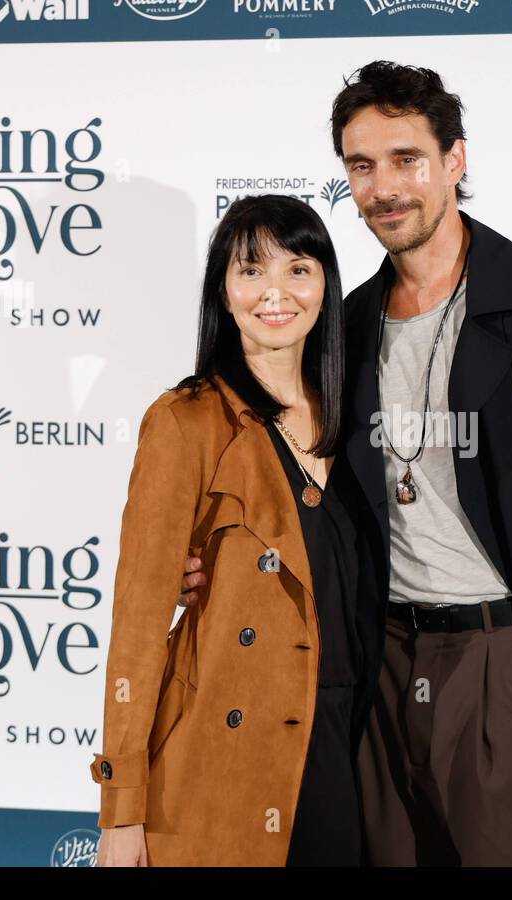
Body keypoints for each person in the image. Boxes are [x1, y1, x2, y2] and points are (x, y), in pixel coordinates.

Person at [179, 61, 512, 866]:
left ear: (455, 160)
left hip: (505, 653)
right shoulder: (346, 326)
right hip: (382, 663)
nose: (384, 188)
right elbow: (300, 495)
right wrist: (212, 565)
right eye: (362, 166)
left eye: (406, 160)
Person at [90, 193, 371, 866]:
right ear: (223, 289)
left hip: (351, 748)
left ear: (326, 285)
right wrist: (122, 808)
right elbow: (137, 626)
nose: (276, 292)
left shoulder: (361, 420)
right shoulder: (185, 421)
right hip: (225, 757)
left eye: (298, 269)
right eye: (251, 270)